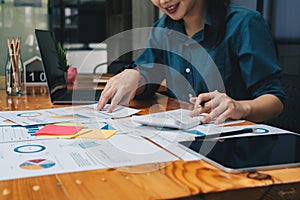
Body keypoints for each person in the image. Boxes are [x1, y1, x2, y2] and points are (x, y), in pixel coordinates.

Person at [97, 0, 285, 125]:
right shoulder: (162, 29)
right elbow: (149, 75)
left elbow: (274, 101)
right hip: (183, 142)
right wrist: (135, 76)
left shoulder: (244, 24)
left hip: (235, 147)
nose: (162, 1)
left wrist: (240, 107)